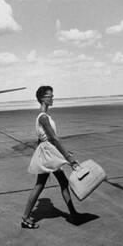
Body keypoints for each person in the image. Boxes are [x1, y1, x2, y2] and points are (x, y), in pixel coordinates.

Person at [21, 85, 79, 229]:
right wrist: (66, 156)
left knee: (58, 182)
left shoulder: (44, 117)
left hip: (48, 153)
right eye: (50, 96)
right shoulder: (43, 117)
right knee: (43, 184)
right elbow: (53, 138)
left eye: (52, 96)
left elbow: (43, 140)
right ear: (42, 98)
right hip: (48, 155)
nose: (52, 98)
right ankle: (25, 218)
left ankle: (73, 213)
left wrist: (60, 153)